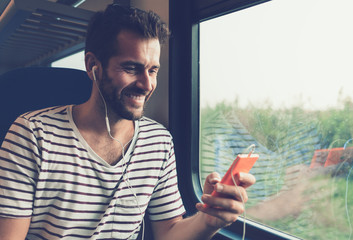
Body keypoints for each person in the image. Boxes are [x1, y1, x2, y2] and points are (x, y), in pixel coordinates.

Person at [0, 4, 256, 240]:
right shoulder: (32, 134)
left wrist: (208, 220)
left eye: (152, 70)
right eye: (132, 68)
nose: (147, 84)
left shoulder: (159, 142)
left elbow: (169, 233)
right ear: (93, 66)